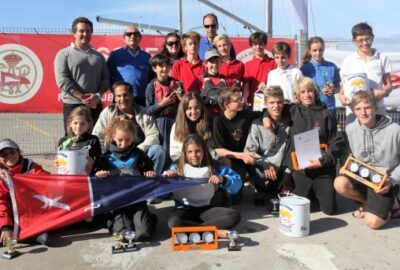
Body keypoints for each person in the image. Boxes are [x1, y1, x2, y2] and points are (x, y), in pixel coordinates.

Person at [334, 91, 400, 229]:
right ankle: (370, 204)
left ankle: (393, 202)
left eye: (367, 108)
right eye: (358, 109)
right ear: (353, 111)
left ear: (375, 108)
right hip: (363, 176)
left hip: (384, 181)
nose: (363, 113)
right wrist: (346, 165)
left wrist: (392, 180)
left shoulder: (395, 130)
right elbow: (349, 153)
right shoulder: (351, 129)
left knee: (373, 223)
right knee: (340, 183)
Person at [280, 77, 345, 215]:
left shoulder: (326, 114)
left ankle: (320, 192)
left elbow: (337, 142)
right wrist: (266, 117)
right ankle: (310, 192)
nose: (306, 95)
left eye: (310, 91)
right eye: (302, 92)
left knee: (329, 210)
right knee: (300, 209)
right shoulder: (291, 111)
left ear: (315, 92)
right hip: (301, 170)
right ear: (297, 95)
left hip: (323, 168)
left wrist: (323, 161)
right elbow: (272, 109)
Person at [164, 134, 241, 238]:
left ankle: (195, 230)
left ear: (204, 151)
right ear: (185, 153)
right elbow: (161, 192)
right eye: (189, 152)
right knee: (174, 223)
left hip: (205, 210)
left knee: (234, 216)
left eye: (197, 151)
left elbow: (237, 183)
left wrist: (222, 179)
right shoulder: (176, 167)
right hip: (184, 210)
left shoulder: (213, 167)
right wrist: (167, 178)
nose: (194, 155)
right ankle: (215, 233)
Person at [95, 117, 158, 239]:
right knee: (124, 236)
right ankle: (112, 221)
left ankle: (149, 218)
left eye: (128, 140)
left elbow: (149, 170)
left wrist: (150, 173)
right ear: (113, 137)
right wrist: (99, 173)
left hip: (137, 200)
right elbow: (97, 175)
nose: (123, 144)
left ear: (133, 137)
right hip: (117, 202)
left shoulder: (139, 154)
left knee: (143, 235)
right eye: (120, 140)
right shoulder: (106, 157)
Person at [92, 81, 166, 175]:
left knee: (158, 150)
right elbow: (98, 136)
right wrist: (103, 155)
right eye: (119, 96)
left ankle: (152, 183)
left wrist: (137, 151)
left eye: (125, 95)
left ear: (132, 95)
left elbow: (153, 135)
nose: (122, 99)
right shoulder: (107, 112)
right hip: (113, 156)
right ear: (114, 98)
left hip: (139, 156)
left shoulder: (144, 112)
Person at [54, 17, 109, 135]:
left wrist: (97, 96)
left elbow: (106, 80)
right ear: (74, 33)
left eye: (88, 31)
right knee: (72, 139)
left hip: (95, 105)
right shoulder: (64, 54)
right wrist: (82, 97)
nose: (85, 34)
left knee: (94, 139)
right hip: (72, 104)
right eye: (81, 31)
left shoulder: (99, 56)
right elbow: (63, 80)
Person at [210, 86, 263, 199]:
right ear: (226, 104)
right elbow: (219, 150)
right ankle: (226, 194)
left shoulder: (245, 115)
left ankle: (255, 182)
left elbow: (264, 112)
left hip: (248, 156)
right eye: (237, 100)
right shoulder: (218, 121)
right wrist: (241, 156)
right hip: (232, 159)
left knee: (263, 180)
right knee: (236, 196)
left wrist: (267, 117)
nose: (241, 101)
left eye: (241, 98)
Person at [244, 86, 292, 205]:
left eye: (279, 102)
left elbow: (293, 151)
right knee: (256, 170)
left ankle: (274, 186)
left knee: (284, 191)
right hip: (263, 167)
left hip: (282, 167)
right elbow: (249, 151)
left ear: (283, 102)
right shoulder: (256, 124)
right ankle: (259, 188)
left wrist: (287, 174)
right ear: (265, 103)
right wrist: (264, 164)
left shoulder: (290, 123)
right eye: (271, 103)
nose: (276, 106)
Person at [0, 139, 50, 246]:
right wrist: (5, 226)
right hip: (8, 212)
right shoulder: (0, 175)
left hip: (29, 211)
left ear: (19, 152)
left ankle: (29, 234)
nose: (9, 156)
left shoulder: (30, 167)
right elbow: (1, 202)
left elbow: (48, 182)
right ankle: (13, 234)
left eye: (12, 152)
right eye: (4, 154)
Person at [339, 22, 392, 120]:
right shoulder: (348, 61)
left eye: (368, 39)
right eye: (360, 40)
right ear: (354, 41)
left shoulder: (382, 58)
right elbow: (343, 89)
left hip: (377, 109)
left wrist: (382, 93)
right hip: (354, 111)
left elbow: (388, 84)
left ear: (372, 38)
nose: (365, 43)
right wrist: (342, 98)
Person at [144, 53, 181, 162]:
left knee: (175, 151)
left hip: (176, 122)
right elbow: (148, 111)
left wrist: (181, 96)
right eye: (161, 66)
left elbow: (183, 102)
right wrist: (162, 104)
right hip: (159, 123)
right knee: (163, 151)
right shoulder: (151, 86)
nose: (165, 69)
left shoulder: (176, 83)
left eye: (167, 65)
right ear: (154, 68)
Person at [107, 26, 154, 106]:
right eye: (129, 34)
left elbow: (152, 79)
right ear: (124, 38)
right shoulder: (115, 55)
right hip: (122, 100)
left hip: (142, 100)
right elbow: (107, 76)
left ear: (140, 38)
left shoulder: (147, 57)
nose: (132, 36)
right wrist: (116, 92)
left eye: (136, 34)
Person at [56, 106, 102, 175]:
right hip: (66, 179)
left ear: (89, 125)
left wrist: (93, 164)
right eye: (75, 123)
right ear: (70, 123)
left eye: (82, 123)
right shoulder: (63, 141)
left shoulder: (93, 140)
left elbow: (99, 162)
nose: (78, 126)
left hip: (86, 180)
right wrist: (57, 163)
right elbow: (59, 161)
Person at [300, 36, 340, 114]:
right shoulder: (304, 69)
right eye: (314, 50)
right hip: (311, 109)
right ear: (309, 51)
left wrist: (333, 90)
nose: (318, 53)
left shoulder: (332, 67)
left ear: (323, 50)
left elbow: (338, 87)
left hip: (329, 108)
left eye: (320, 50)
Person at [170, 93, 212, 163]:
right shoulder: (176, 126)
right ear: (183, 110)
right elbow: (175, 153)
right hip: (183, 163)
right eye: (189, 108)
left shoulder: (208, 124)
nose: (193, 112)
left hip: (205, 162)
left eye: (196, 108)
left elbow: (212, 151)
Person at [243, 32, 275, 106]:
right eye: (255, 44)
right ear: (251, 46)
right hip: (253, 103)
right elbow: (246, 85)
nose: (258, 47)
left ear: (265, 45)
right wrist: (244, 100)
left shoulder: (273, 63)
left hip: (271, 102)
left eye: (260, 44)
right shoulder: (247, 65)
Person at [201, 49, 226, 117]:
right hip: (205, 117)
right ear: (206, 63)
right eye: (211, 61)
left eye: (217, 61)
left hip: (220, 118)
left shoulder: (224, 80)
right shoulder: (200, 79)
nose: (215, 64)